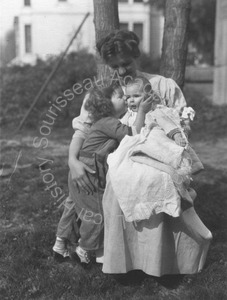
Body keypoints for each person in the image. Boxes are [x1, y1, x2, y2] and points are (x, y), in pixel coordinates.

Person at [55, 30, 212, 275]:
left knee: (155, 181)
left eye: (126, 63)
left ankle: (159, 259)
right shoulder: (104, 93)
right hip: (114, 163)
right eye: (114, 66)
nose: (121, 71)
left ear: (136, 56)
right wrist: (72, 160)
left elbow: (181, 124)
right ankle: (120, 260)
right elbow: (82, 130)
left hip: (155, 157)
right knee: (118, 184)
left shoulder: (161, 85)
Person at [53, 79, 152, 263]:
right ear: (107, 103)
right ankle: (84, 249)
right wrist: (142, 111)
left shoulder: (101, 122)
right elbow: (134, 134)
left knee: (74, 206)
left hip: (81, 168)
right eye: (121, 96)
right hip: (90, 172)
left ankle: (60, 244)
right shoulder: (108, 122)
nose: (125, 99)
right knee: (97, 213)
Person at [107, 75, 204, 222]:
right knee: (124, 169)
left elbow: (167, 123)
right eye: (127, 97)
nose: (131, 100)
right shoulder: (128, 115)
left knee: (164, 152)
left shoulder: (155, 111)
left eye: (136, 96)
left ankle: (178, 194)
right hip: (136, 147)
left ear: (149, 96)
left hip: (153, 143)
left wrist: (176, 134)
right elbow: (120, 128)